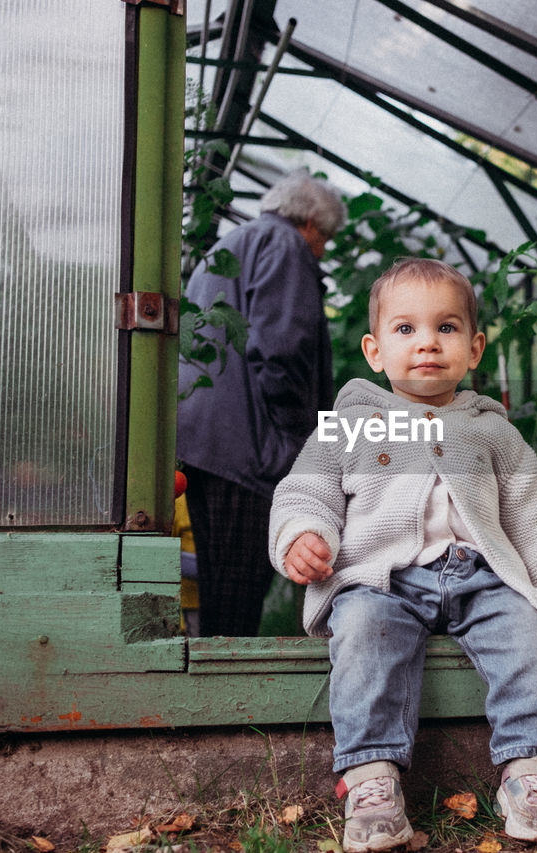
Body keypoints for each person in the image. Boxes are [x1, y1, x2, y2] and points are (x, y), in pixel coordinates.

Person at [268, 258, 537, 851]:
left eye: (446, 328)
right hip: (382, 580)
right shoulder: (352, 426)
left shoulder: (492, 433)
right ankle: (371, 781)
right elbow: (307, 490)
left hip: (482, 579)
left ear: (475, 347)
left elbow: (536, 525)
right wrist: (302, 533)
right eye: (406, 329)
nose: (427, 342)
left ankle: (531, 774)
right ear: (374, 351)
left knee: (532, 635)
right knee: (363, 634)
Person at [177, 171, 346, 637]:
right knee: (239, 592)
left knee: (219, 587)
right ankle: (231, 703)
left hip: (204, 444)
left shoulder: (230, 245)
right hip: (247, 451)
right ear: (311, 223)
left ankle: (211, 698)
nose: (324, 250)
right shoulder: (286, 246)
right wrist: (300, 443)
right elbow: (283, 349)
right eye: (326, 237)